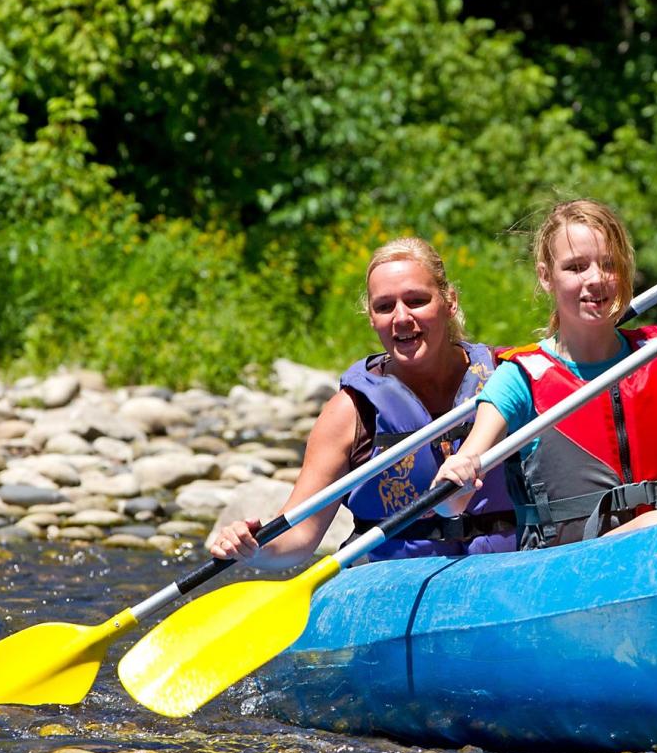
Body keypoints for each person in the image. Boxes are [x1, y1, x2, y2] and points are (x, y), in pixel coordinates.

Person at [432, 199, 657, 547]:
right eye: (576, 267)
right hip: (568, 571)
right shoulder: (519, 380)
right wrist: (458, 475)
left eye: (608, 264)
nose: (596, 279)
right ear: (546, 277)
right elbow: (453, 504)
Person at [206, 237, 517, 568]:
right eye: (384, 306)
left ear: (449, 301)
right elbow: (298, 537)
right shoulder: (350, 412)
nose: (401, 318)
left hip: (503, 577)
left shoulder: (508, 377)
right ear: (371, 316)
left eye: (416, 300)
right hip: (397, 587)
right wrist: (255, 547)